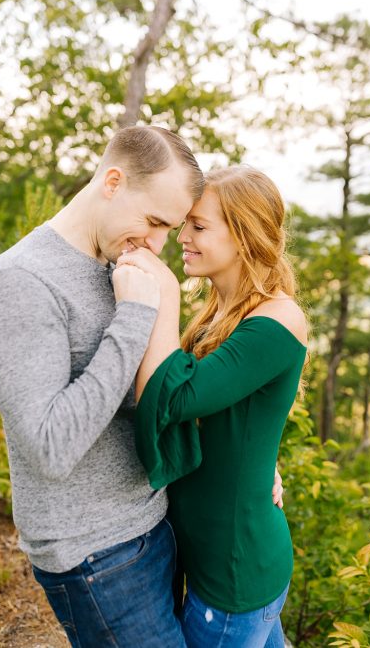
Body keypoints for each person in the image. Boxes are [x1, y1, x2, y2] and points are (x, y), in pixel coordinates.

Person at [0, 125, 203, 646]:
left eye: (171, 228)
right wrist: (135, 316)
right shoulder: (22, 282)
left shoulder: (117, 263)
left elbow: (154, 395)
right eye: (153, 221)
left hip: (152, 525)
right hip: (97, 556)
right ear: (113, 181)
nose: (159, 243)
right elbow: (49, 449)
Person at [118, 164, 307, 648]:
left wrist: (162, 290)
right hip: (217, 561)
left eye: (199, 226)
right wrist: (259, 460)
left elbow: (175, 397)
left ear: (244, 236)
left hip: (233, 574)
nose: (183, 236)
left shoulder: (277, 319)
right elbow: (230, 416)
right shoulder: (220, 311)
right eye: (186, 223)